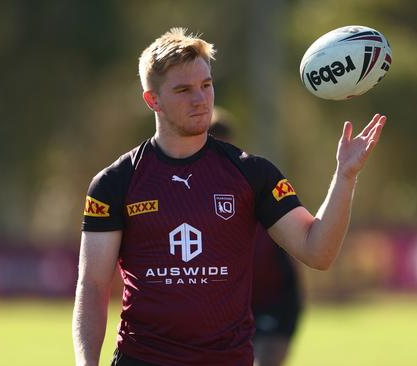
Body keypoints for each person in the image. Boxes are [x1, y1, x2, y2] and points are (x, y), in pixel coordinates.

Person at [72, 27, 388, 366]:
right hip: (143, 359)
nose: (201, 99)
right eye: (183, 90)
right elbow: (93, 283)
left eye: (206, 85)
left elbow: (318, 252)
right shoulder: (115, 183)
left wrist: (345, 177)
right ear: (153, 100)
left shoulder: (251, 174)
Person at [209, 108, 302, 366]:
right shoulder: (188, 197)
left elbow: (301, 244)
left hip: (274, 302)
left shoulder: (254, 183)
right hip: (229, 311)